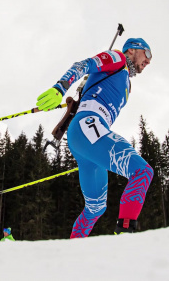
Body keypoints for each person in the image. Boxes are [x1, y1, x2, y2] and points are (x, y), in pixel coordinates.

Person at [36, 38, 154, 237]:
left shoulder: (127, 82)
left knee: (96, 208)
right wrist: (60, 88)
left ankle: (73, 251)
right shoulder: (118, 58)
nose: (149, 61)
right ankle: (125, 236)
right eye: (147, 54)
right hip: (88, 126)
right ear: (132, 50)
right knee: (142, 171)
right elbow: (83, 65)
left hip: (88, 137)